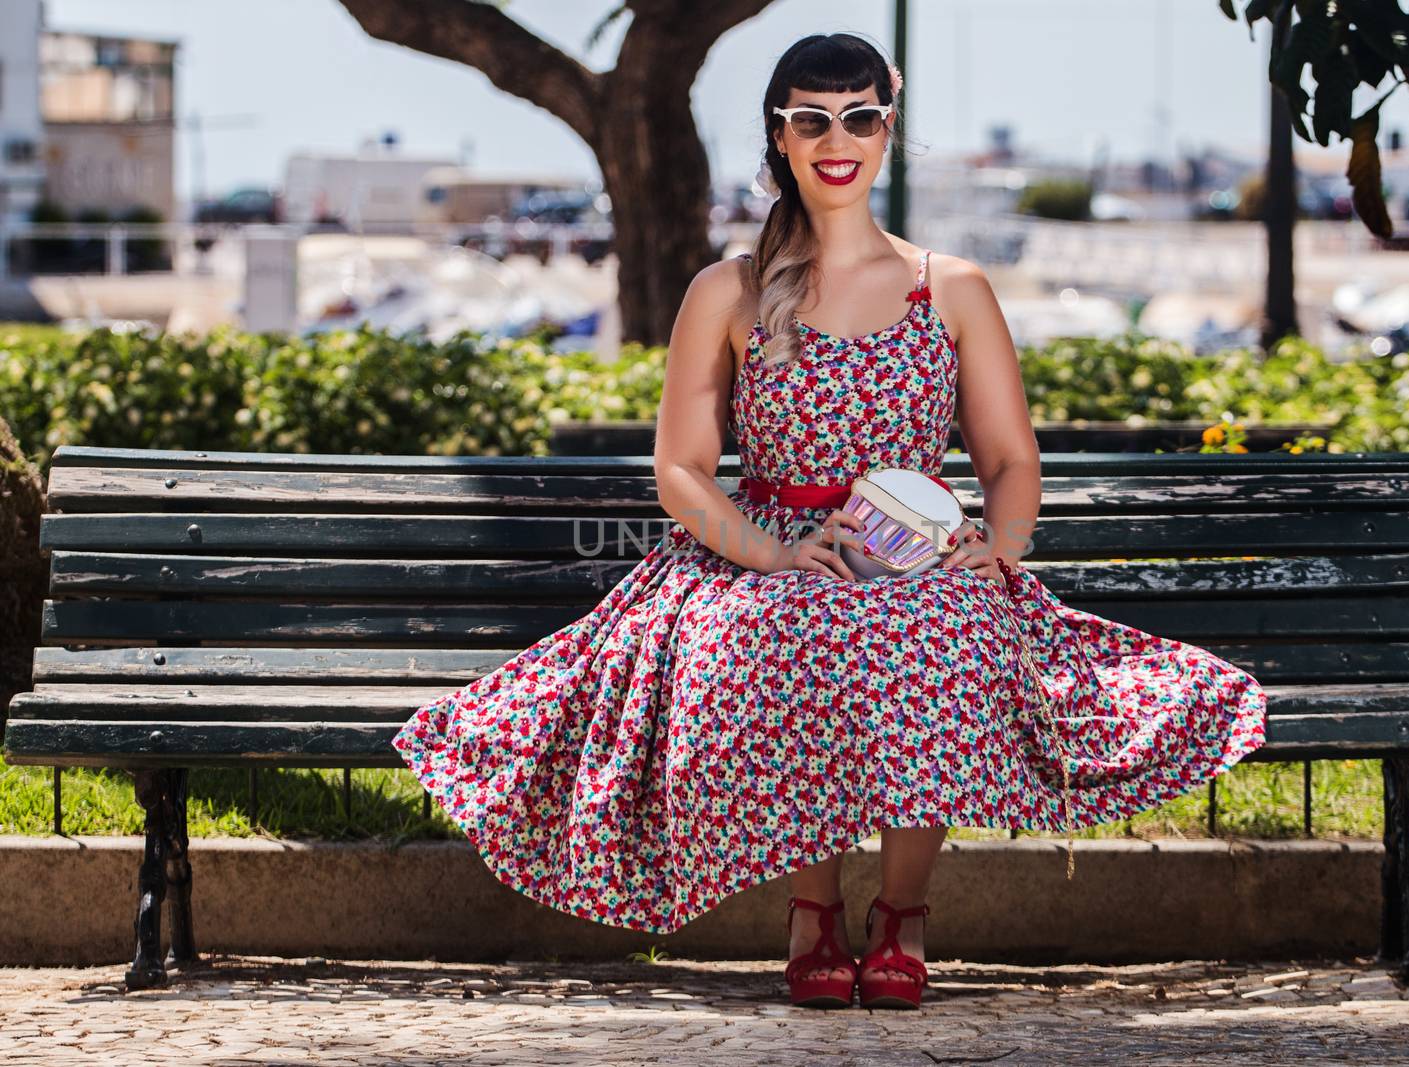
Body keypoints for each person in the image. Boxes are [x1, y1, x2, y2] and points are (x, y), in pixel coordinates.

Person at [390, 31, 1268, 1012]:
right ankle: (813, 910)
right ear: (780, 137)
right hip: (768, 545)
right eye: (812, 119)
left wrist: (1000, 545)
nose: (836, 139)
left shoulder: (953, 287)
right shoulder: (725, 291)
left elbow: (1010, 459)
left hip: (921, 550)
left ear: (887, 132)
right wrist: (771, 553)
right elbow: (679, 470)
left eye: (860, 118)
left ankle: (902, 911)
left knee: (934, 625)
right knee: (784, 625)